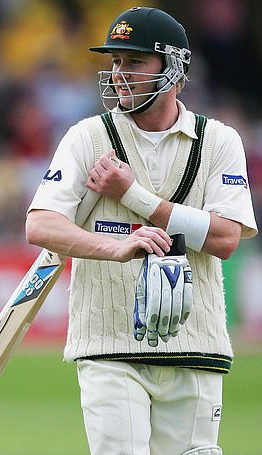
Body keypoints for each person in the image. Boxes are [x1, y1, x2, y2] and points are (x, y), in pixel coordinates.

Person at [25, 7, 257, 455]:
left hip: (196, 344)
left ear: (172, 71)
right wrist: (116, 248)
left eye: (134, 62)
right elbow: (40, 224)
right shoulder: (87, 136)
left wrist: (135, 197)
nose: (118, 74)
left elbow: (227, 238)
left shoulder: (220, 141)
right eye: (114, 62)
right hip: (109, 343)